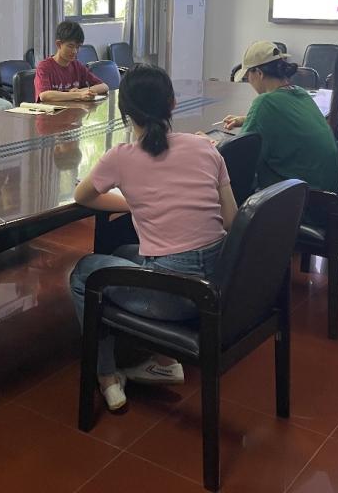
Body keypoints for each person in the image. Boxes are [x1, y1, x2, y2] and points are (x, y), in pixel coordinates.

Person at [70, 64, 237, 410]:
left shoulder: (120, 157)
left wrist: (134, 202)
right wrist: (142, 203)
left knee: (85, 270)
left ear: (125, 113)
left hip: (175, 299)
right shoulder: (205, 147)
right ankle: (163, 361)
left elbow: (82, 196)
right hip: (219, 284)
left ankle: (106, 375)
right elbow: (231, 220)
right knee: (124, 251)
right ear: (173, 103)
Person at [223, 41, 338, 193]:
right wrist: (247, 119)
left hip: (302, 197)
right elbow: (287, 122)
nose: (249, 82)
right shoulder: (300, 93)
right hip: (327, 192)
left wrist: (212, 145)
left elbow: (239, 155)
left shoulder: (265, 102)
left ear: (259, 73)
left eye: (247, 76)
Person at [34, 20, 108, 103]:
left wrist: (81, 91)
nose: (75, 51)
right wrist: (79, 95)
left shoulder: (77, 66)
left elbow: (104, 86)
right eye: (70, 46)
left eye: (78, 47)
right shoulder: (44, 67)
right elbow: (44, 95)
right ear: (58, 44)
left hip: (73, 110)